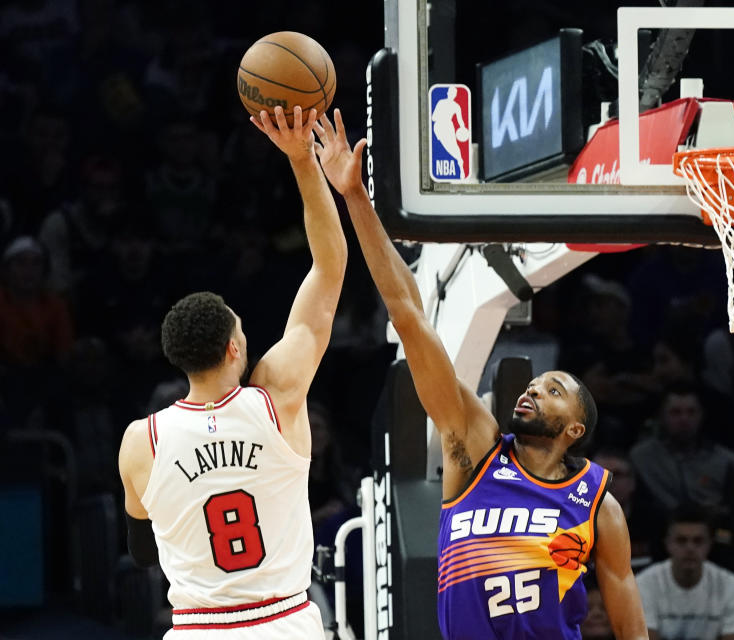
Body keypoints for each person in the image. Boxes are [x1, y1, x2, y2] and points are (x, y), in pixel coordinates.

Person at [315, 110, 649, 639]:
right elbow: (409, 313)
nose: (536, 387)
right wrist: (356, 195)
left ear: (574, 430)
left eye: (554, 389)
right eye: (538, 383)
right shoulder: (473, 449)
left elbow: (630, 623)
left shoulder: (597, 504)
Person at [117, 105, 347, 638]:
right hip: (285, 623)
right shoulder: (279, 396)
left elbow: (142, 551)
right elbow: (330, 265)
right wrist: (301, 161)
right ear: (233, 350)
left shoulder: (140, 442)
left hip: (199, 628)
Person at [635, 504, 734, 640]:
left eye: (698, 541)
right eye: (681, 541)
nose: (690, 548)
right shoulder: (644, 584)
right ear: (668, 544)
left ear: (709, 545)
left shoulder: (730, 586)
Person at [629, 383, 734, 514]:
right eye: (676, 412)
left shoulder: (726, 461)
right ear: (661, 417)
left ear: (701, 416)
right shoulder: (641, 458)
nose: (684, 419)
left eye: (691, 412)